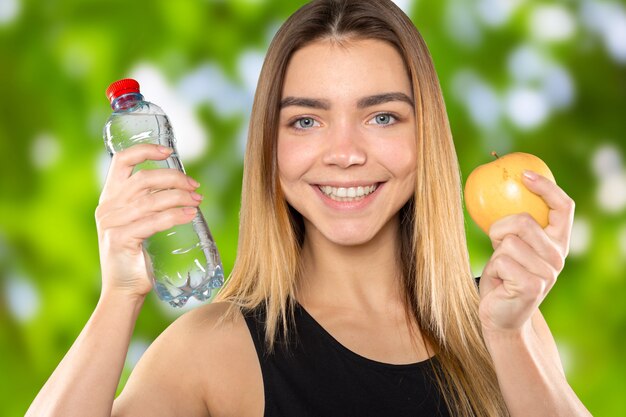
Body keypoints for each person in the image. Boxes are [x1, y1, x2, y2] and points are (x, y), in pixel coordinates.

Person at [28, 0, 592, 416]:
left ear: (428, 138)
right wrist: (119, 297)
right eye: (305, 120)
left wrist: (510, 335)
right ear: (270, 148)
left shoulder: (502, 321)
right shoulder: (213, 350)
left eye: (381, 116)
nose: (344, 153)